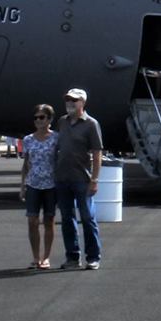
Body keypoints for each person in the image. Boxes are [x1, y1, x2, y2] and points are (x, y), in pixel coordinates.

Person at [53, 87, 105, 270]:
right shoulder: (62, 122)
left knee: (87, 218)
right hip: (62, 178)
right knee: (67, 219)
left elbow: (97, 153)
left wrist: (95, 180)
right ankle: (73, 257)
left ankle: (93, 257)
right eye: (68, 100)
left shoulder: (91, 124)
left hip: (82, 178)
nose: (70, 103)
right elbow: (57, 147)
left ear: (82, 102)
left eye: (74, 100)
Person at [18, 104, 58, 270]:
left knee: (49, 221)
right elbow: (26, 164)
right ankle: (36, 257)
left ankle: (46, 257)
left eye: (42, 117)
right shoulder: (28, 139)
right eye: (36, 118)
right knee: (32, 220)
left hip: (51, 185)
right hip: (33, 184)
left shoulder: (56, 138)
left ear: (49, 119)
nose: (38, 121)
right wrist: (22, 185)